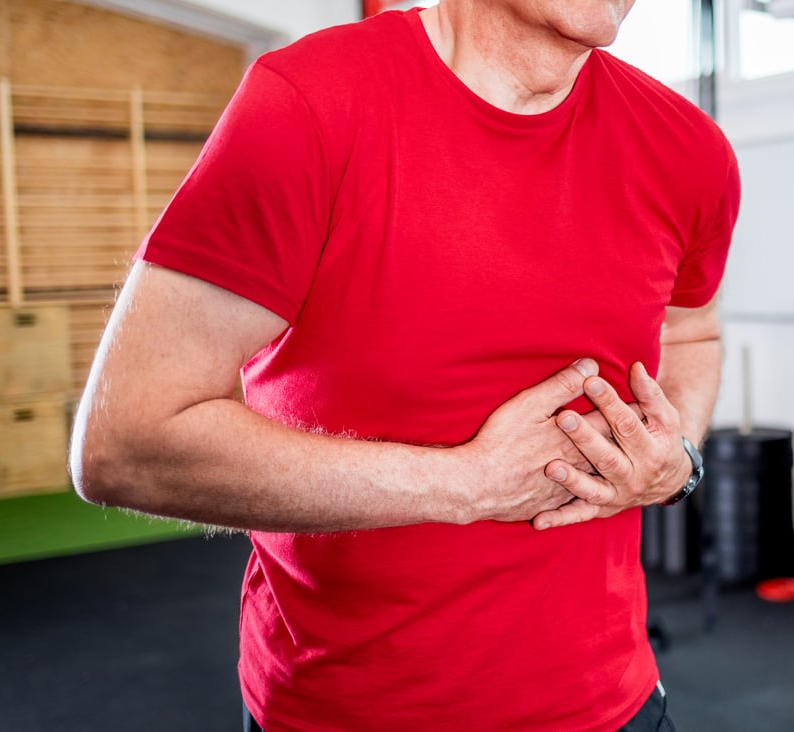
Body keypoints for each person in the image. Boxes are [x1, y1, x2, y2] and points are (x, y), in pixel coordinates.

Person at [69, 1, 740, 729]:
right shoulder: (309, 104)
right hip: (340, 709)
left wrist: (678, 458)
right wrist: (465, 484)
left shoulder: (689, 152)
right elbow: (126, 444)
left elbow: (691, 331)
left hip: (613, 704)